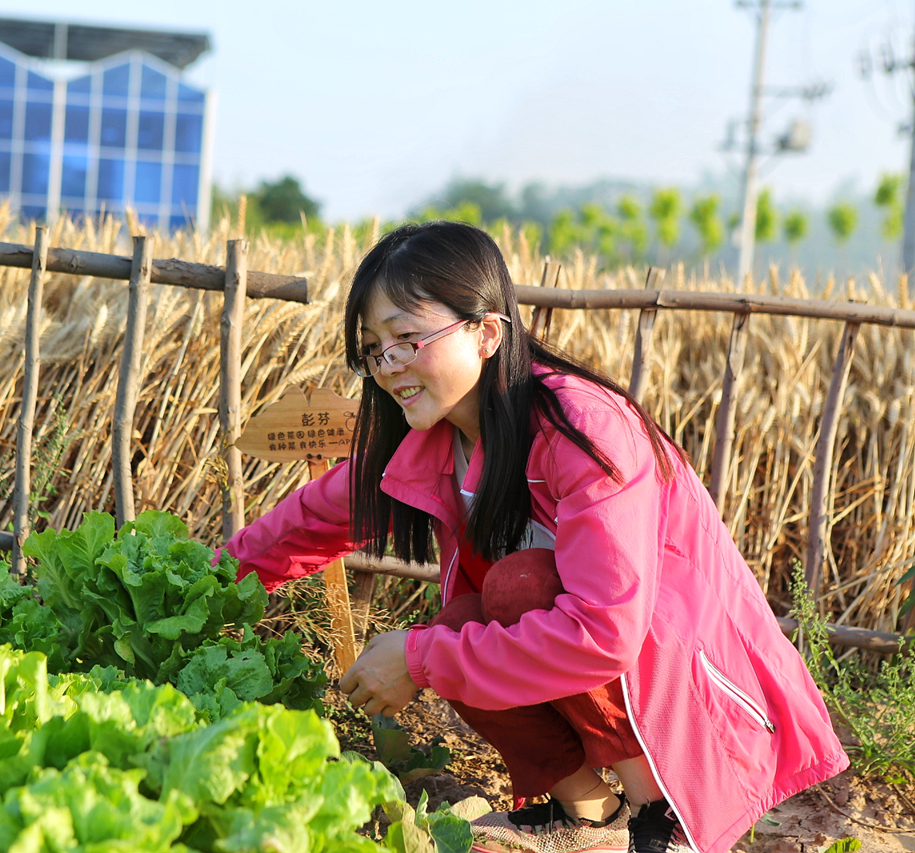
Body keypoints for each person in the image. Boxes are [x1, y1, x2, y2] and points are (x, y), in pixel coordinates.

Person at [218, 221, 847, 853]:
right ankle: (589, 813)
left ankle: (662, 813)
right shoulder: (432, 441)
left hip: (688, 694)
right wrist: (204, 584)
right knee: (462, 616)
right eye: (374, 348)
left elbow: (606, 631)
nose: (389, 365)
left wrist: (418, 659)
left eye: (408, 338)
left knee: (516, 590)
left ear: (486, 332)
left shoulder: (581, 427)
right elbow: (305, 523)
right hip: (621, 665)